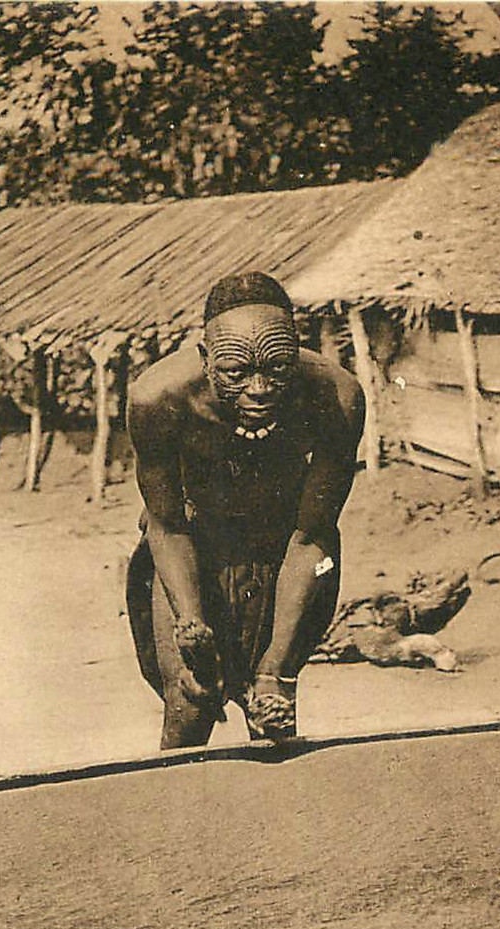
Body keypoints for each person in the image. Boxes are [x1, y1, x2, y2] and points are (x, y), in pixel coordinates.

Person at [126, 272, 364, 748]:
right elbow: (167, 524)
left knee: (273, 717)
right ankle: (177, 814)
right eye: (237, 373)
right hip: (190, 546)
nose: (259, 389)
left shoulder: (334, 397)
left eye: (277, 369)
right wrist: (192, 624)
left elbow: (313, 534)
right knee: (190, 701)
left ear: (297, 349)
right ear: (205, 358)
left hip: (285, 555)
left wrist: (278, 669)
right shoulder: (159, 399)